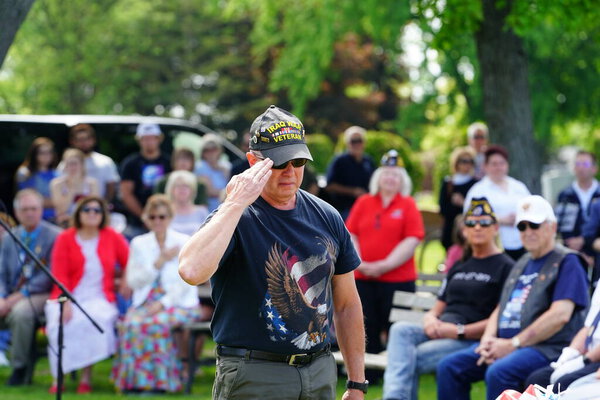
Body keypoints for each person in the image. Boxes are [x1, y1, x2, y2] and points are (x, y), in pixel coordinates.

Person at [179, 105, 367, 400]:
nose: (290, 172)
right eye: (278, 163)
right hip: (255, 374)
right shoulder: (236, 216)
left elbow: (346, 304)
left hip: (319, 371)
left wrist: (357, 383)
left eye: (298, 160)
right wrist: (234, 203)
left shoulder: (327, 216)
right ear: (254, 161)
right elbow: (191, 271)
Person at [437, 195, 589, 400]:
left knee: (500, 371)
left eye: (534, 225)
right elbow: (502, 306)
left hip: (547, 348)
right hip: (506, 343)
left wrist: (513, 344)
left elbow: (559, 315)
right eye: (522, 226)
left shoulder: (568, 261)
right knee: (449, 367)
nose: (528, 232)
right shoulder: (522, 262)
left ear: (552, 227)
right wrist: (488, 339)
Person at [383, 197, 514, 400]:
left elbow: (500, 319)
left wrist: (458, 331)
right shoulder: (460, 265)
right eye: (471, 223)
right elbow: (439, 305)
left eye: (484, 222)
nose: (477, 227)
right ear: (465, 230)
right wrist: (430, 319)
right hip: (441, 329)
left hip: (470, 338)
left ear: (495, 228)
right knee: (400, 329)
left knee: (408, 358)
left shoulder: (506, 267)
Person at [345, 150, 424, 376]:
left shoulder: (408, 204)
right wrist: (359, 261)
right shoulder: (363, 202)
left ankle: (399, 373)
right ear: (378, 177)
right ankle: (367, 376)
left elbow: (412, 240)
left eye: (396, 175)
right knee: (364, 327)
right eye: (386, 174)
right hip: (363, 278)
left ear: (402, 181)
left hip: (399, 280)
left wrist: (384, 265)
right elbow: (351, 233)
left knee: (398, 329)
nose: (390, 178)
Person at [112, 194, 201, 394]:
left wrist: (163, 304)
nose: (157, 221)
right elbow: (134, 281)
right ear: (146, 219)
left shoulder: (183, 241)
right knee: (131, 323)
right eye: (152, 217)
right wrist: (158, 262)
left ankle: (161, 383)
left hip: (179, 303)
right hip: (146, 300)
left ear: (169, 217)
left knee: (156, 324)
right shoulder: (139, 243)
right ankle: (134, 383)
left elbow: (186, 282)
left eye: (161, 216)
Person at [45, 196, 129, 394]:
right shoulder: (65, 238)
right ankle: (59, 377)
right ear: (79, 213)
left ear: (102, 215)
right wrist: (65, 303)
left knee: (93, 320)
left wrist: (124, 279)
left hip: (100, 296)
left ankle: (85, 378)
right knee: (59, 323)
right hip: (67, 294)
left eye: (97, 210)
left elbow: (131, 260)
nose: (92, 214)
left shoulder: (112, 236)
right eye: (87, 210)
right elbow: (60, 275)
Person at [0, 189, 61, 385]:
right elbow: (1, 272)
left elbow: (49, 275)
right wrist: (1, 296)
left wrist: (18, 297)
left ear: (41, 210)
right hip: (9, 294)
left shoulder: (55, 236)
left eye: (34, 208)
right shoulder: (9, 237)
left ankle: (20, 368)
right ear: (16, 213)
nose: (29, 213)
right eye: (25, 209)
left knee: (20, 313)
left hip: (41, 293)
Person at [524, 280, 600, 391]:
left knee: (564, 384)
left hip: (595, 360)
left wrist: (585, 361)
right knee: (537, 379)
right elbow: (589, 327)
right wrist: (569, 354)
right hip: (588, 354)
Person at [464, 145, 531, 260]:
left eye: (502, 163)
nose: (498, 167)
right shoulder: (478, 191)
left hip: (522, 244)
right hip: (495, 247)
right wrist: (499, 220)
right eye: (494, 164)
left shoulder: (519, 187)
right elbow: (468, 220)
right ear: (485, 166)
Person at [120, 123, 171, 238]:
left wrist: (161, 217)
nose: (149, 142)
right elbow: (126, 194)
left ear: (159, 139)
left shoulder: (168, 162)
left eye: (153, 138)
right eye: (145, 138)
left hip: (166, 221)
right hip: (137, 223)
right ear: (140, 140)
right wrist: (146, 217)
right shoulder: (130, 164)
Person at [325, 126, 376, 220]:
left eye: (359, 140)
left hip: (366, 207)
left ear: (364, 143)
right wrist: (353, 191)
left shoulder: (368, 161)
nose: (356, 144)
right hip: (344, 209)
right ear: (347, 143)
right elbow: (329, 186)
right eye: (353, 141)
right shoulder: (339, 161)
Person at [63, 124, 120, 203]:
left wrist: (103, 206)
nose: (83, 142)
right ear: (73, 142)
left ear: (93, 140)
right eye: (79, 139)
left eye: (86, 139)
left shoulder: (106, 162)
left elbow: (111, 187)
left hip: (97, 210)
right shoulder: (65, 163)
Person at [556, 150, 600, 252]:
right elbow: (561, 224)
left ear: (594, 169)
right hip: (572, 251)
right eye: (578, 164)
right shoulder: (565, 195)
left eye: (585, 164)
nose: (581, 168)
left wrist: (585, 240)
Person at [439, 146, 479, 250]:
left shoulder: (476, 184)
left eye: (471, 161)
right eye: (464, 161)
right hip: (451, 231)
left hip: (469, 230)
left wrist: (464, 203)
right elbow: (442, 208)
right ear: (456, 163)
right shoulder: (448, 183)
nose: (468, 164)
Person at [50, 148, 100, 228]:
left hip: (86, 223)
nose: (72, 167)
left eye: (74, 164)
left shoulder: (92, 184)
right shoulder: (56, 184)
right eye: (68, 164)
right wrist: (72, 187)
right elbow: (61, 210)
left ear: (82, 165)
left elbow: (94, 208)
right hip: (65, 224)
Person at [14, 137, 58, 221]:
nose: (46, 156)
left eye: (49, 152)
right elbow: (29, 200)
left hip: (55, 219)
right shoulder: (25, 173)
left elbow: (64, 201)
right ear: (34, 154)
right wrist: (54, 201)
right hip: (33, 219)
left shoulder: (58, 173)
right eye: (42, 153)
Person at [194, 133, 230, 212]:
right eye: (207, 150)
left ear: (219, 150)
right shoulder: (200, 167)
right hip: (209, 210)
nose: (211, 152)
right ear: (202, 152)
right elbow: (210, 191)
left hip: (226, 207)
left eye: (214, 148)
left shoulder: (226, 165)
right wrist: (232, 193)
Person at [165, 170, 209, 236]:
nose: (182, 189)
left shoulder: (202, 212)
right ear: (171, 190)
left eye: (186, 186)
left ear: (192, 190)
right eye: (178, 186)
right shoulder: (165, 211)